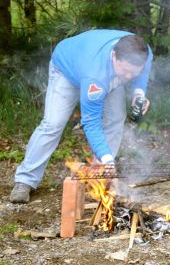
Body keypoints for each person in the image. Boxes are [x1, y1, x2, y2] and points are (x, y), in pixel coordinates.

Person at [10, 29, 153, 203]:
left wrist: (139, 93)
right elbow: (91, 122)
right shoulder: (96, 75)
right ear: (114, 56)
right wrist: (108, 159)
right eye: (125, 71)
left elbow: (140, 72)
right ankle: (25, 180)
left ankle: (100, 175)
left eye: (134, 72)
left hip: (96, 68)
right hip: (67, 70)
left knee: (116, 118)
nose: (129, 77)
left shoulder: (143, 52)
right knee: (52, 124)